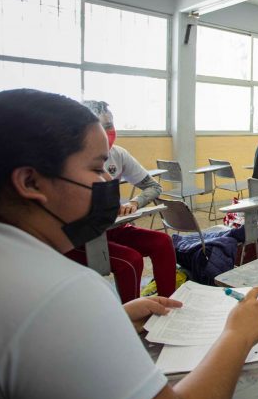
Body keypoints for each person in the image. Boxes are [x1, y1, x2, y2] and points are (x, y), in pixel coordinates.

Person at [0, 89, 258, 399]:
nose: (110, 181)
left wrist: (112, 320)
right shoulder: (56, 292)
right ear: (30, 181)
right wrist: (237, 336)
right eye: (97, 169)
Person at [64, 100, 176, 301]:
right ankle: (131, 317)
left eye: (109, 126)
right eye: (99, 127)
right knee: (130, 260)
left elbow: (153, 186)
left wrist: (134, 202)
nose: (106, 132)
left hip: (113, 226)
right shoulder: (69, 159)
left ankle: (167, 303)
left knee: (163, 242)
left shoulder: (119, 154)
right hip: (83, 236)